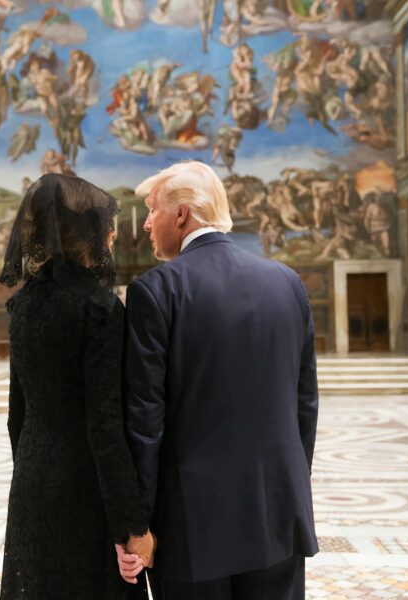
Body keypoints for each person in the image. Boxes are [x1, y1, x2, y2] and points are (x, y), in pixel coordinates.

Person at [118, 161, 319, 599]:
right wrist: (291, 489)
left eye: (153, 209)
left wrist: (139, 525)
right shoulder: (287, 282)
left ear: (182, 214)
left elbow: (145, 420)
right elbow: (305, 405)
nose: (147, 222)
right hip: (280, 514)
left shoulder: (156, 290)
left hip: (194, 526)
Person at [0, 173, 155, 599]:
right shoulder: (99, 308)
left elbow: (17, 415)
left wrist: (33, 470)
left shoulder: (24, 304)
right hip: (84, 489)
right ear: (91, 235)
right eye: (107, 227)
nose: (111, 235)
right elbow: (105, 426)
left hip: (32, 480)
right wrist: (132, 524)